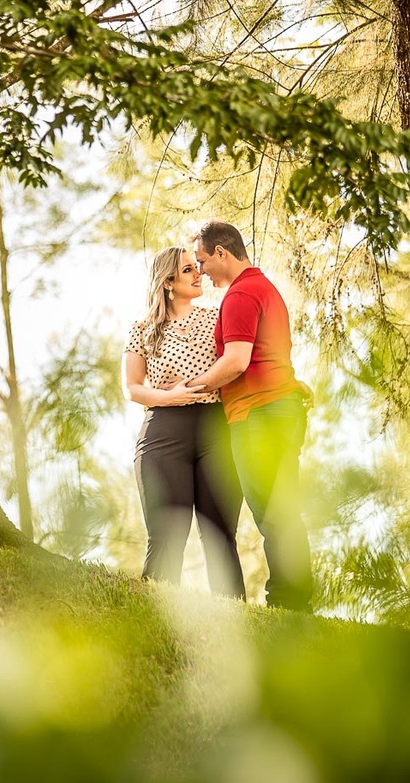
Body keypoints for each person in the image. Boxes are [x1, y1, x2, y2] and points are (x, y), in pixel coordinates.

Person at [186, 220, 313, 611]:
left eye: (202, 261)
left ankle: (289, 601)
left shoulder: (240, 295)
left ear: (222, 252)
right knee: (282, 507)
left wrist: (190, 387)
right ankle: (298, 599)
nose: (201, 271)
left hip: (258, 415)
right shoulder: (265, 288)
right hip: (280, 408)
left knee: (271, 511)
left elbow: (237, 361)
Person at [122, 245, 246, 597]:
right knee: (166, 535)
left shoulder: (217, 317)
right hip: (163, 434)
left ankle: (237, 626)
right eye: (189, 270)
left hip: (215, 430)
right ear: (168, 282)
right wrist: (168, 397)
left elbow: (241, 360)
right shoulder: (143, 329)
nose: (199, 274)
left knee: (221, 534)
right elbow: (132, 388)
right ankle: (153, 618)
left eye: (197, 267)